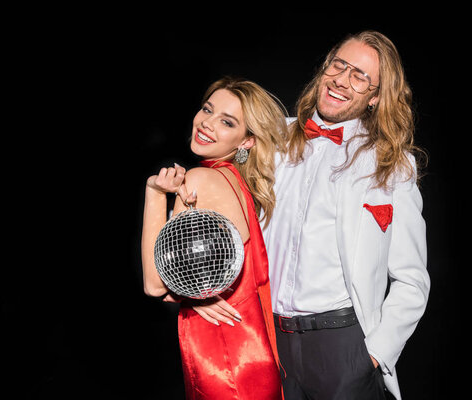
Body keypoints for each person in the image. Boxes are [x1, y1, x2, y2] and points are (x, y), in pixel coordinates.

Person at [192, 31, 430, 400]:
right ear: (325, 67)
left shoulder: (392, 166)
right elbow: (222, 191)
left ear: (376, 97)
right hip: (266, 340)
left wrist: (372, 355)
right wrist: (200, 288)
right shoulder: (273, 137)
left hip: (342, 349)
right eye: (339, 65)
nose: (342, 80)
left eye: (360, 76)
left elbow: (412, 280)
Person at [140, 77, 288, 400]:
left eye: (227, 122)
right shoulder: (237, 183)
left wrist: (154, 192)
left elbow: (154, 283)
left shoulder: (201, 180)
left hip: (223, 364)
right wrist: (191, 293)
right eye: (207, 109)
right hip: (253, 358)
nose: (206, 123)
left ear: (247, 141)